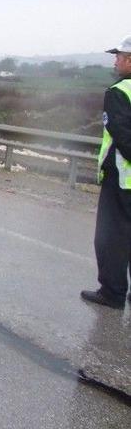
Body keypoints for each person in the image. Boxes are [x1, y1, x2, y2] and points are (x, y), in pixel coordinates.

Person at [81, 35, 131, 310]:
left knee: (112, 235)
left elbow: (121, 132)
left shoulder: (120, 91)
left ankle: (112, 292)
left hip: (122, 177)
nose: (115, 61)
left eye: (119, 56)